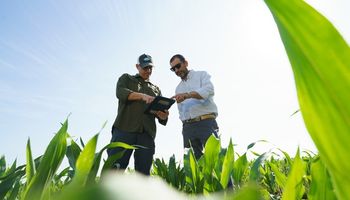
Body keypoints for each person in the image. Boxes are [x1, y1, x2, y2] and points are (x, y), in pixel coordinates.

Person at [107, 54, 169, 175]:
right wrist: (142, 96)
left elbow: (161, 115)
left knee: (143, 175)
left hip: (146, 135)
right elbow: (120, 93)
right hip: (124, 130)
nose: (148, 71)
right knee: (114, 171)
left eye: (151, 68)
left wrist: (163, 116)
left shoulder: (156, 89)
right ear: (137, 66)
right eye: (145, 68)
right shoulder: (126, 79)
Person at [170, 54, 219, 159]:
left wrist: (187, 95)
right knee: (192, 165)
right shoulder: (178, 89)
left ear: (186, 63)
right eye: (173, 69)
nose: (176, 70)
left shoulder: (201, 75)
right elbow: (182, 112)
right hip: (188, 128)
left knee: (216, 159)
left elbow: (209, 90)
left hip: (206, 123)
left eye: (178, 66)